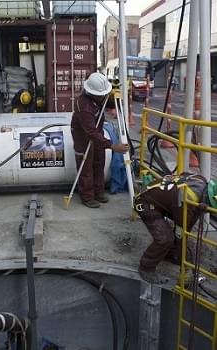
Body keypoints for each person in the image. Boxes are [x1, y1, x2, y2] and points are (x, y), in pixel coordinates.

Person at [134, 173, 209, 283]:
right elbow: (181, 232)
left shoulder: (200, 180)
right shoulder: (186, 201)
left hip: (159, 198)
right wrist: (186, 266)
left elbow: (183, 174)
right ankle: (146, 267)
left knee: (178, 232)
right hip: (145, 203)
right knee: (165, 238)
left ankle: (169, 254)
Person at [71, 72, 129, 208]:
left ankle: (99, 191)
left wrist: (114, 95)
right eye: (101, 94)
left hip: (97, 133)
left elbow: (107, 102)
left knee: (99, 162)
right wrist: (113, 146)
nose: (103, 96)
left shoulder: (99, 97)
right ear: (92, 93)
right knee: (86, 167)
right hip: (83, 137)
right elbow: (90, 132)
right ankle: (87, 196)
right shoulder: (83, 106)